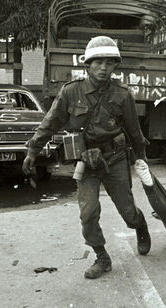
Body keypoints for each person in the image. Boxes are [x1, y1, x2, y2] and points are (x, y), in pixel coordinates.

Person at [22, 36, 151, 279]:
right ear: (87, 65)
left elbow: (135, 131)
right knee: (88, 214)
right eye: (98, 62)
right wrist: (32, 150)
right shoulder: (71, 92)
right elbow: (50, 122)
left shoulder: (123, 95)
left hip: (114, 160)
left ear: (115, 66)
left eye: (110, 63)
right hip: (86, 163)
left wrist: (141, 160)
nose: (104, 67)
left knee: (128, 212)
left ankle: (140, 226)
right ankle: (102, 257)